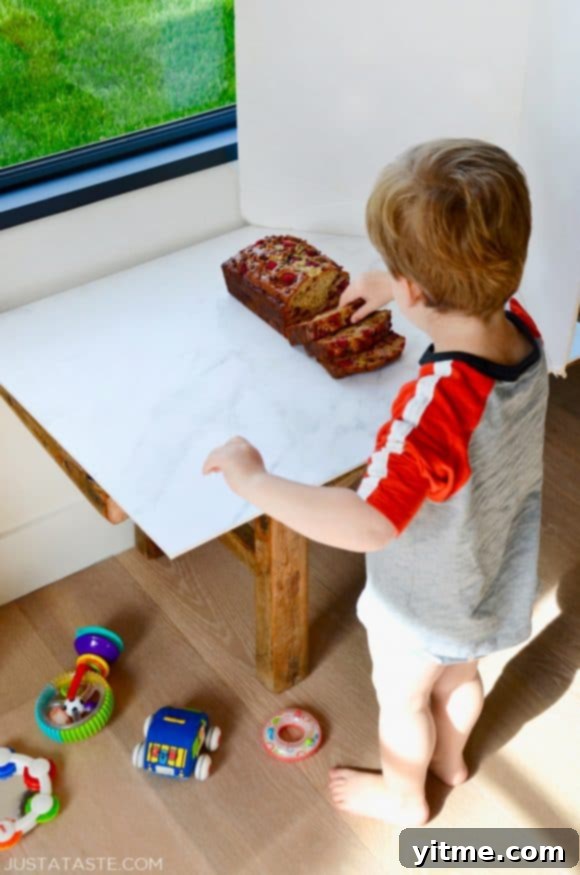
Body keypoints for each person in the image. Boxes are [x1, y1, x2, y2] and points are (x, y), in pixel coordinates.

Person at [202, 139, 548, 826]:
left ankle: (404, 795)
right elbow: (455, 292)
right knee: (461, 675)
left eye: (399, 275)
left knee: (405, 697)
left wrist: (254, 479)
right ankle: (453, 759)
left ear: (418, 288)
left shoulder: (434, 408)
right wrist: (391, 285)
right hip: (492, 562)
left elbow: (371, 520)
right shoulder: (524, 329)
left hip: (425, 599)